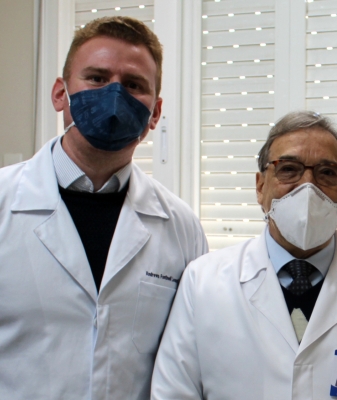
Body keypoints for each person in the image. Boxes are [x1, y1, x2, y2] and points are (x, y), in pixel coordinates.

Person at [151, 111, 337, 399]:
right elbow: (174, 393)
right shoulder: (202, 283)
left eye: (327, 172)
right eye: (288, 169)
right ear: (260, 187)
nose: (308, 186)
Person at [0, 16, 208, 399]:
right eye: (96, 78)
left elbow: (189, 361)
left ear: (155, 113)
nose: (114, 95)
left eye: (133, 85)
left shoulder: (181, 227)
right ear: (60, 94)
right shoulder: (4, 201)